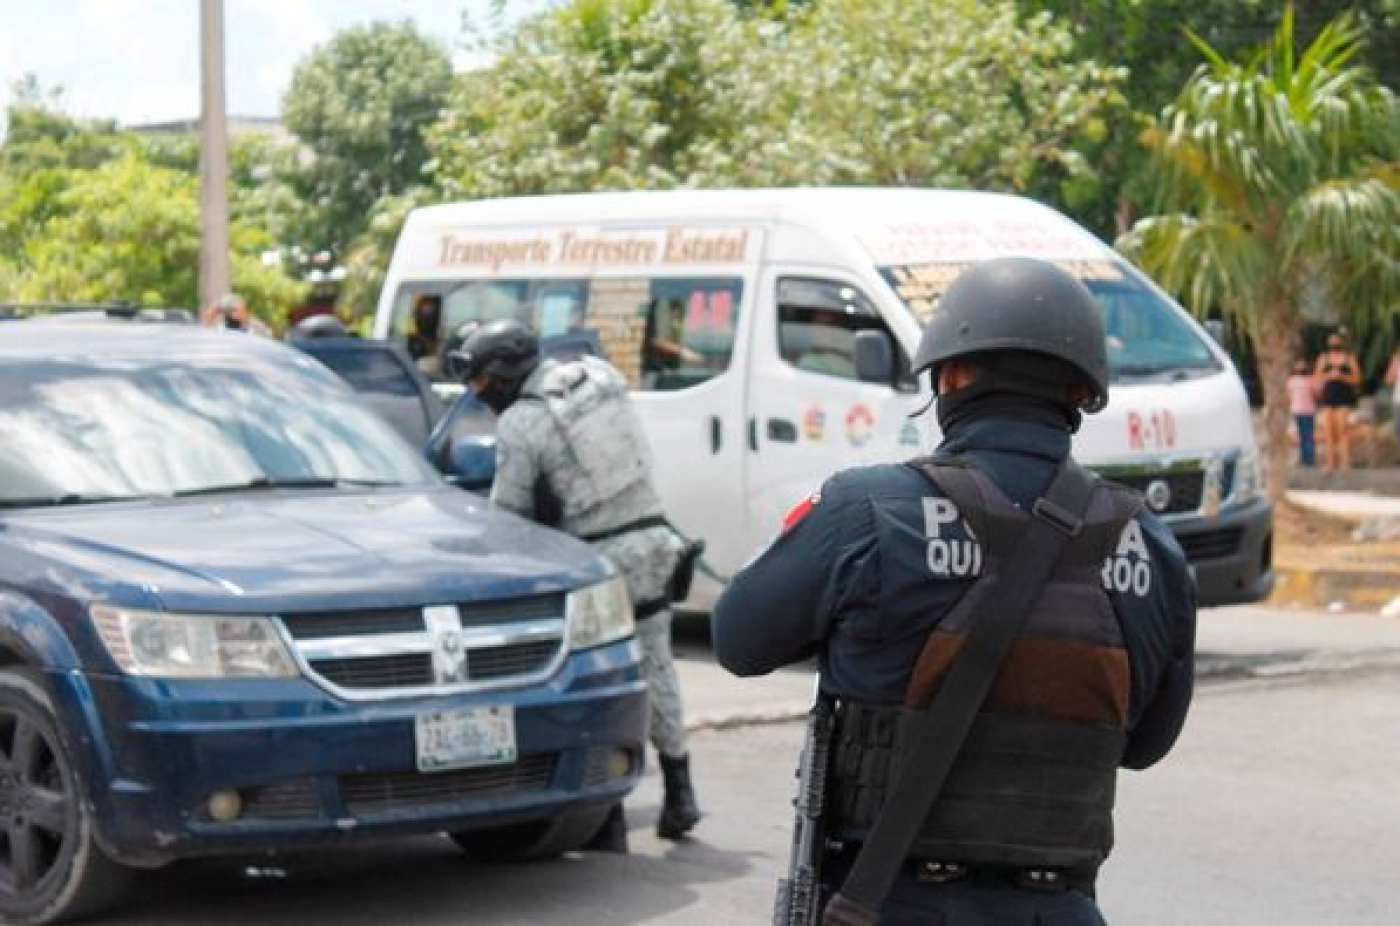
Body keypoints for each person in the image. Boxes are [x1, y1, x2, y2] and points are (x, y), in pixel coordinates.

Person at [712, 257, 1197, 925]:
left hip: (884, 902)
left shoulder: (867, 509)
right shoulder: (1151, 542)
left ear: (952, 374)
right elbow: (1146, 744)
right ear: (1081, 393)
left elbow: (737, 640)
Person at [449, 319, 701, 843]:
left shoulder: (522, 421)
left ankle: (606, 815)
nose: (480, 394)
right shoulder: (601, 376)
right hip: (656, 543)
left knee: (600, 683)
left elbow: (510, 513)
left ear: (500, 374)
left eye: (481, 382)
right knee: (656, 669)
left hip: (597, 565)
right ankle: (680, 791)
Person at [1313, 330, 1362, 473]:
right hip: (1328, 397)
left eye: (1336, 341)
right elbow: (1317, 377)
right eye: (1331, 341)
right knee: (1328, 431)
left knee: (1342, 429)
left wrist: (1341, 377)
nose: (1334, 344)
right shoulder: (1324, 358)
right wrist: (1329, 375)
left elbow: (1357, 378)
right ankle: (1329, 463)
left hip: (1343, 397)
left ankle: (1345, 463)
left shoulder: (1349, 358)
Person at [1287, 358, 1318, 467]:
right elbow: (1315, 394)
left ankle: (1309, 459)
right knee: (1304, 436)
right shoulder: (1308, 380)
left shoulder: (1295, 381)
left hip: (1304, 411)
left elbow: (1289, 395)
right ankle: (1306, 458)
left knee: (1307, 435)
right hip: (1302, 411)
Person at [201, 292, 271, 337]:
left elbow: (267, 336)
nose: (233, 314)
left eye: (235, 310)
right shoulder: (221, 330)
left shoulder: (254, 328)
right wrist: (218, 307)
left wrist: (245, 318)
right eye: (230, 310)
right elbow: (207, 325)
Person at [406, 295, 443, 374]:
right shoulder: (412, 336)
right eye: (424, 308)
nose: (426, 311)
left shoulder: (436, 327)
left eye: (429, 308)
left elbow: (435, 350)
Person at [1385, 346, 1400, 452]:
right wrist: (1394, 364)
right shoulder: (1397, 360)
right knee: (1396, 429)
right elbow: (1389, 380)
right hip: (1398, 399)